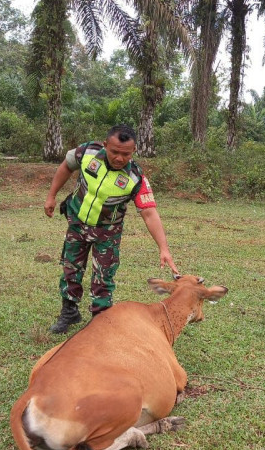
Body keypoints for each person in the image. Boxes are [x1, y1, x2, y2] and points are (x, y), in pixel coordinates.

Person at [44, 124, 179, 333]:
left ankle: (100, 321)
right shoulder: (87, 152)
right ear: (105, 145)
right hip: (77, 224)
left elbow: (149, 212)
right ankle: (69, 312)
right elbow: (66, 166)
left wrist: (164, 248)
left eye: (125, 154)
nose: (119, 158)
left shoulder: (136, 178)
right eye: (114, 151)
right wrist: (51, 195)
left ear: (133, 151)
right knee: (71, 269)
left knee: (103, 277)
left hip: (107, 233)